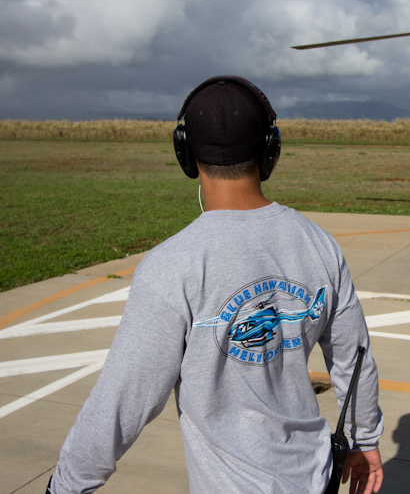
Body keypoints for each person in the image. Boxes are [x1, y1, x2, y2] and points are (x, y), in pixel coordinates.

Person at [48, 75, 384, 494]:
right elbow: (355, 358)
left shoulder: (171, 265)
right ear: (271, 150)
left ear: (185, 156)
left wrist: (67, 484)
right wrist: (364, 437)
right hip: (314, 479)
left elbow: (123, 399)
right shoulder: (320, 244)